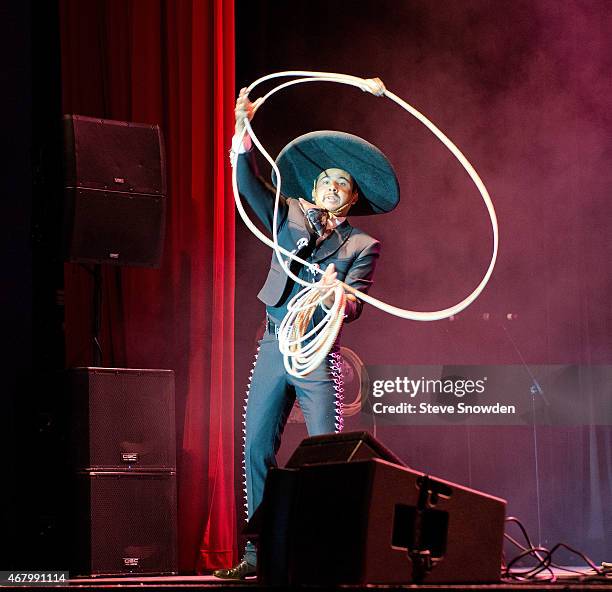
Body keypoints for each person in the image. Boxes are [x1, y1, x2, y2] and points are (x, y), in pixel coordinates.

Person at [213, 89, 400, 579]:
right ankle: (257, 554)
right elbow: (249, 188)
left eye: (342, 184)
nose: (333, 188)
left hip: (317, 351)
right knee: (255, 444)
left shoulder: (362, 243)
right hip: (276, 341)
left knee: (327, 451)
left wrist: (339, 295)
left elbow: (357, 304)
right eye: (327, 181)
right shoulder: (288, 213)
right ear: (314, 187)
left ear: (353, 197)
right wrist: (241, 138)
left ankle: (326, 552)